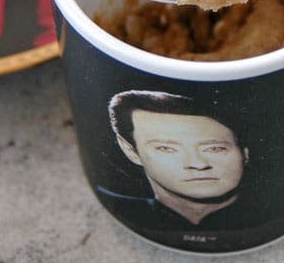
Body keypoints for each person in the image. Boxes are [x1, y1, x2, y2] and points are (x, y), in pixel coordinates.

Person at [101, 90, 250, 228]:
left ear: (244, 154)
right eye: (166, 149)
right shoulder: (116, 209)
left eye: (215, 148)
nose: (197, 164)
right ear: (131, 151)